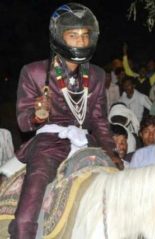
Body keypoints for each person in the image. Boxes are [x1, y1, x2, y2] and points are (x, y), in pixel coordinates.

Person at [8, 4, 122, 238]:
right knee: (25, 218)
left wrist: (111, 152)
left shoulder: (98, 75)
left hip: (86, 143)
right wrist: (37, 116)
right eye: (73, 35)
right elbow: (22, 121)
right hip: (48, 144)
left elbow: (99, 120)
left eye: (84, 35)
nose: (80, 42)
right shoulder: (34, 72)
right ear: (60, 37)